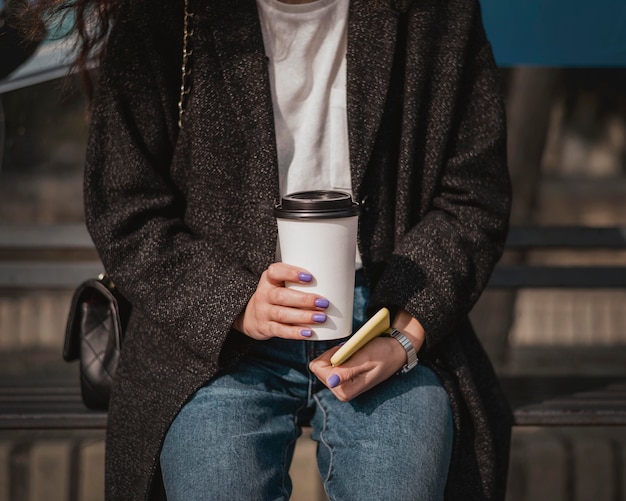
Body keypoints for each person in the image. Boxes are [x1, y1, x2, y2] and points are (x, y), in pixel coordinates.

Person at [28, 0, 513, 499]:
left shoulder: (435, 12)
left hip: (385, 320)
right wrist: (234, 303)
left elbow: (474, 197)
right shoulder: (166, 13)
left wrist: (405, 336)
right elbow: (124, 208)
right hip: (215, 341)